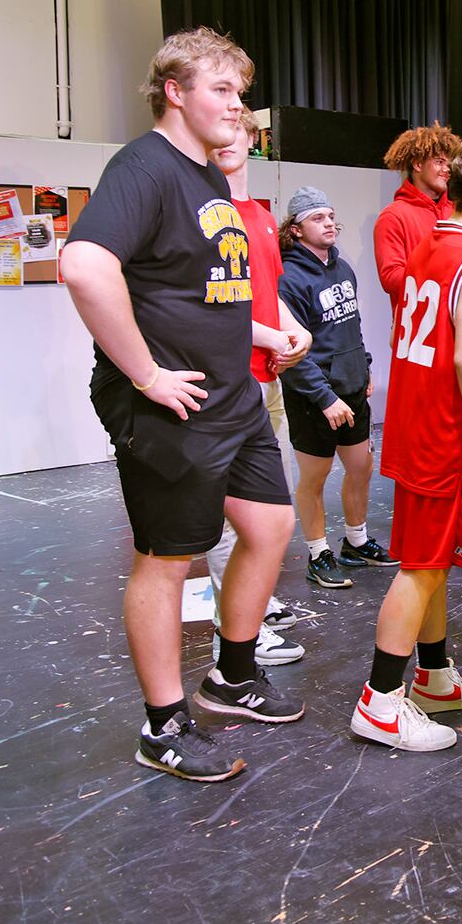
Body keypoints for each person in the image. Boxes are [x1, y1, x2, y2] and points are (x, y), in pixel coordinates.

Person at [61, 28, 303, 785]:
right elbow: (83, 264)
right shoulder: (145, 167)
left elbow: (192, 289)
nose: (239, 106)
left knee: (270, 525)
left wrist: (265, 329)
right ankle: (162, 725)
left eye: (240, 91)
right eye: (223, 90)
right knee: (165, 561)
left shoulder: (209, 179)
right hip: (176, 406)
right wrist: (146, 376)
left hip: (232, 396)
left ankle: (230, 675)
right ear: (175, 90)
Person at [350, 134, 462, 752]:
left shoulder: (426, 235)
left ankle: (434, 676)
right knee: (421, 567)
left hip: (413, 418)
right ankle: (379, 703)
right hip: (445, 431)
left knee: (434, 559)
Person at [204, 107, 312, 662]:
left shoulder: (262, 217)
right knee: (235, 515)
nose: (227, 140)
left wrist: (295, 334)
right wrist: (274, 336)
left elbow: (268, 293)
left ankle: (251, 603)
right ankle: (234, 629)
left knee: (269, 507)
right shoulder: (203, 216)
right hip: (226, 382)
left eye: (238, 131)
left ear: (253, 139)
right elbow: (208, 306)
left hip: (266, 381)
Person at [277, 186, 397, 589]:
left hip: (350, 388)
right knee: (314, 478)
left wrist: (363, 368)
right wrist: (325, 397)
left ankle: (356, 542)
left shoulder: (342, 269)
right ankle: (317, 553)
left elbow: (350, 326)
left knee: (361, 468)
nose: (329, 224)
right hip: (314, 397)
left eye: (330, 216)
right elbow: (291, 352)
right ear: (296, 230)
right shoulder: (288, 279)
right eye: (317, 218)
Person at [374, 122, 462, 335]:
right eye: (439, 162)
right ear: (417, 165)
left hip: (457, 326)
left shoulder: (458, 209)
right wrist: (442, 271)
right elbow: (391, 278)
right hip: (417, 335)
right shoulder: (393, 216)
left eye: (449, 163)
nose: (447, 169)